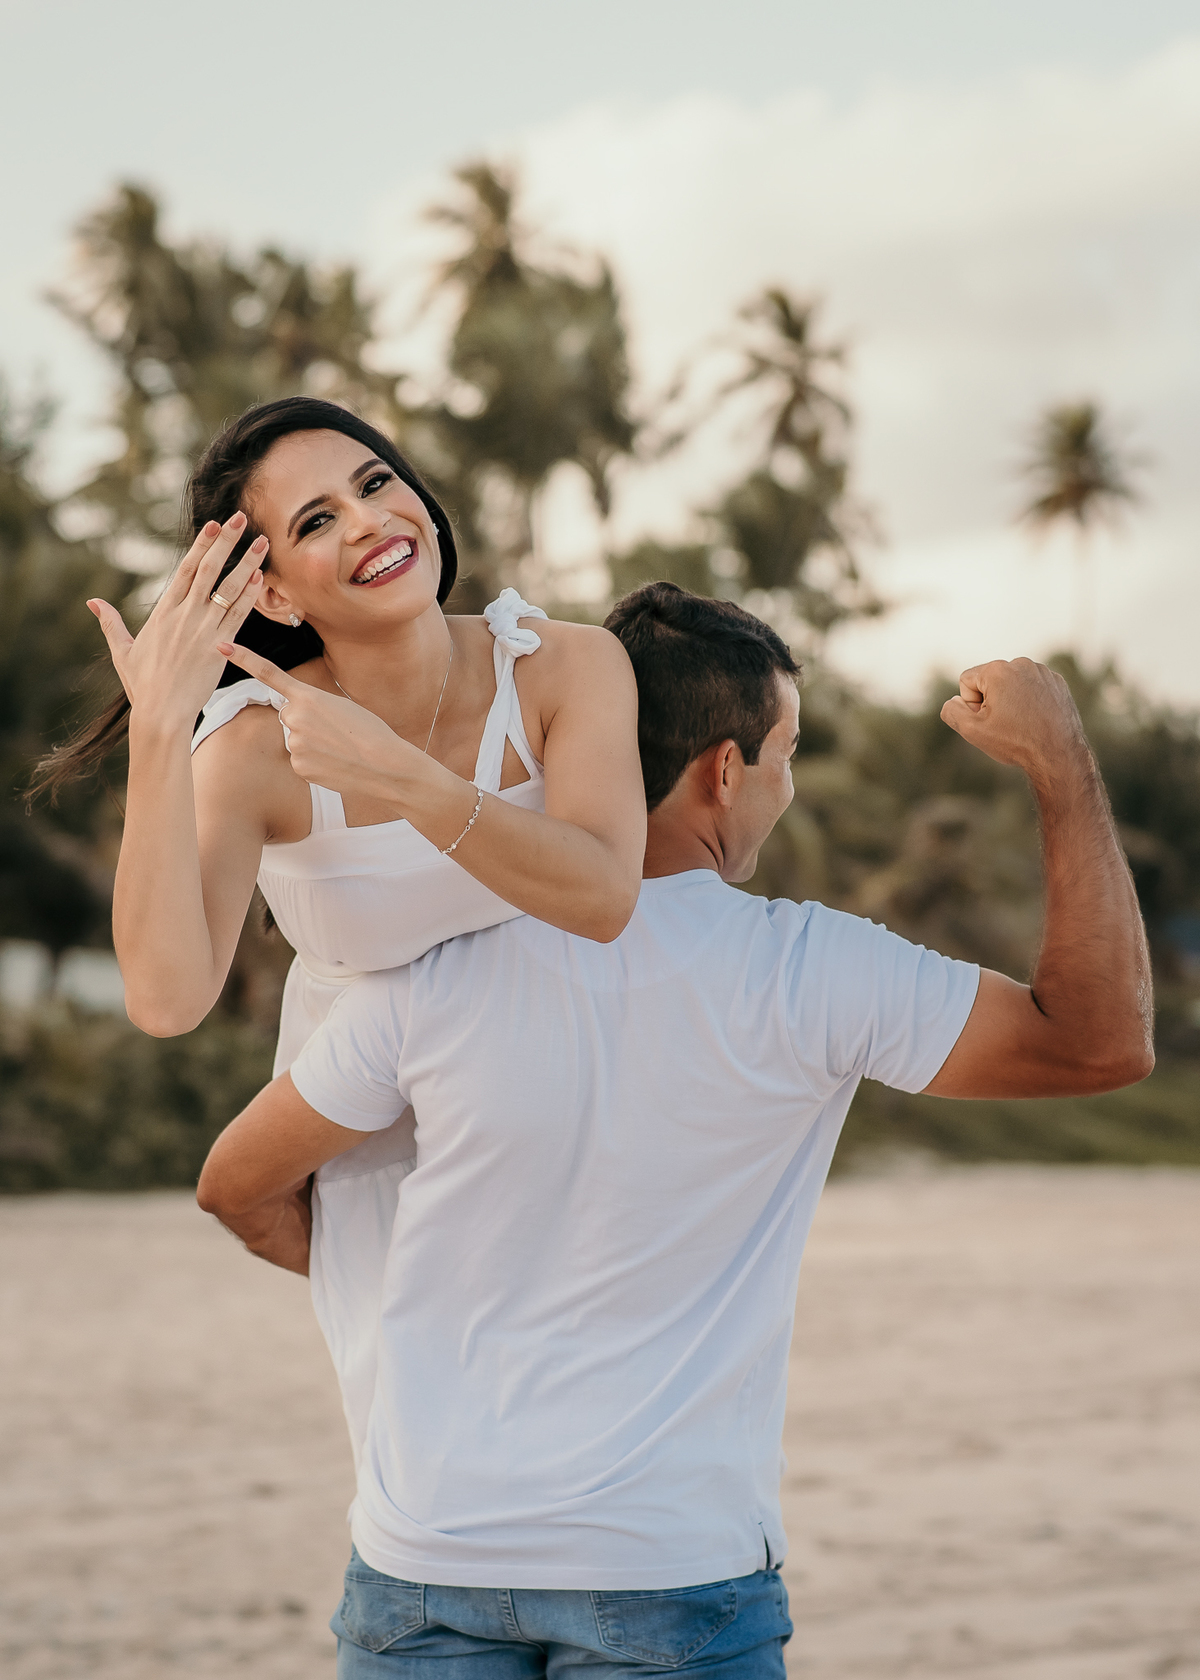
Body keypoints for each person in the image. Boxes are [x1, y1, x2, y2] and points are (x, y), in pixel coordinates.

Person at [197, 583, 1152, 1678]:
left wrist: (417, 1286)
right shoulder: (808, 972)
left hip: (427, 1558)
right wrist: (1062, 766)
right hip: (665, 1568)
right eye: (783, 755)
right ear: (726, 768)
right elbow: (1098, 1043)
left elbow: (236, 1186)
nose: (782, 789)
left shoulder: (439, 964)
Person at [35, 396, 646, 1464]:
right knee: (445, 1489)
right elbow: (169, 1000)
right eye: (314, 521)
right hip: (386, 1177)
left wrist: (402, 780)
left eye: (374, 483)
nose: (368, 521)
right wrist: (163, 733)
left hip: (590, 1126)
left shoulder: (564, 667)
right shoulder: (254, 754)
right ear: (266, 586)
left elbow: (601, 895)